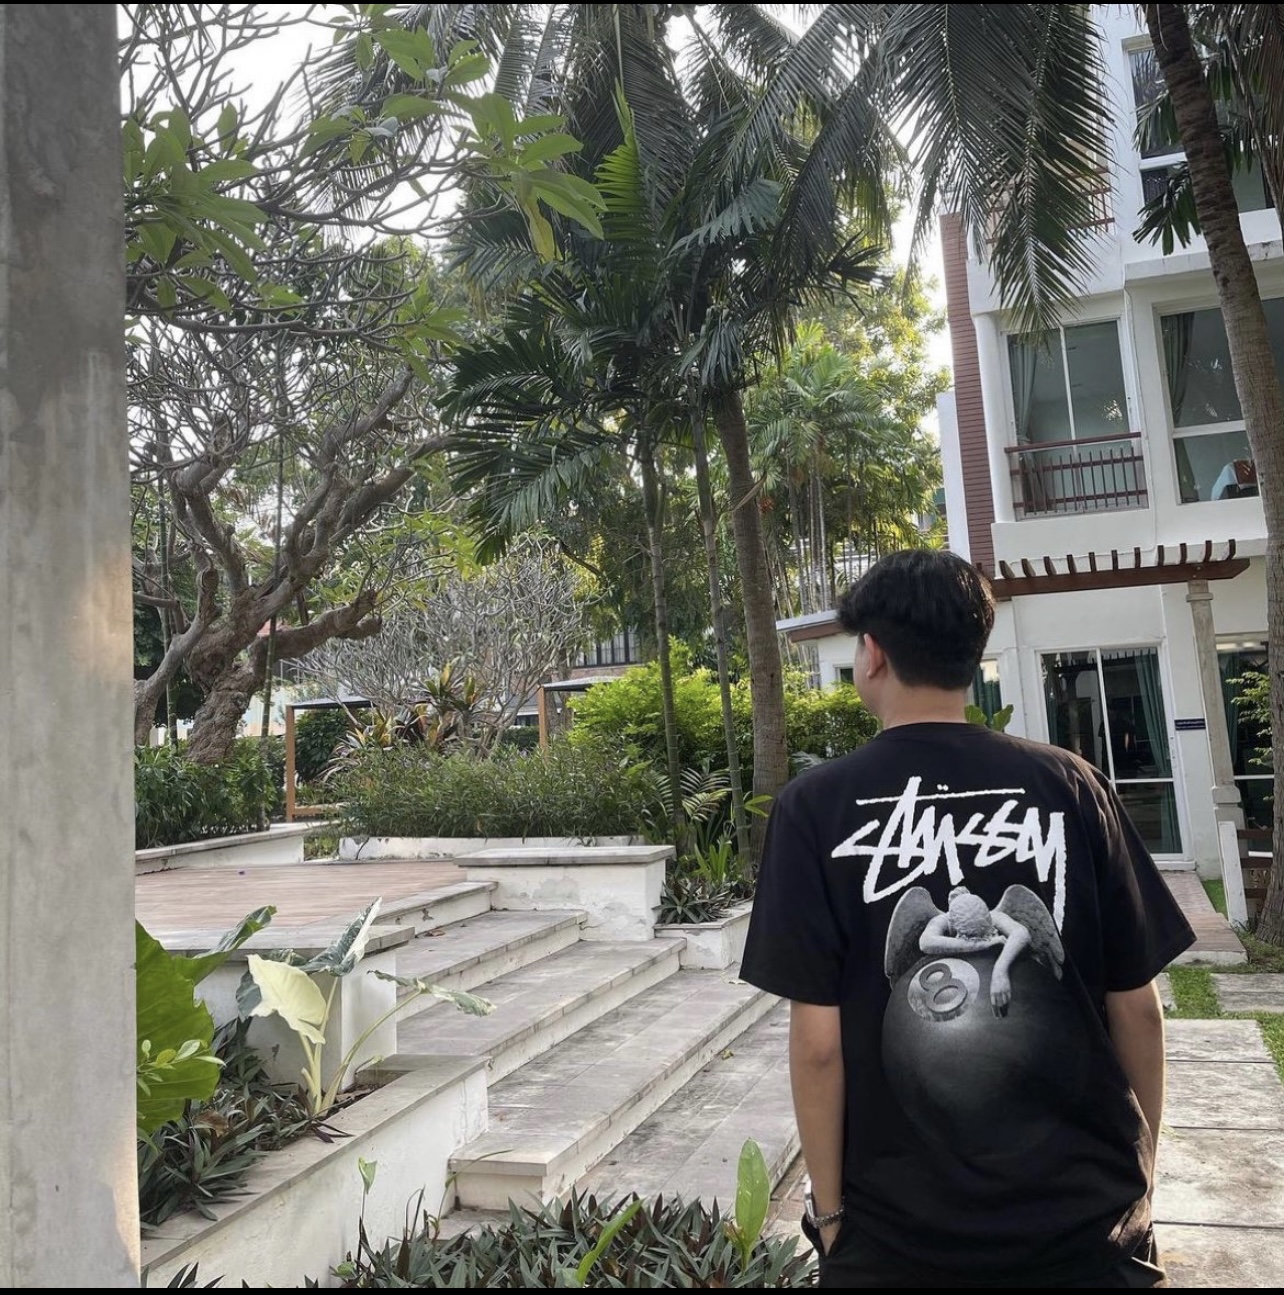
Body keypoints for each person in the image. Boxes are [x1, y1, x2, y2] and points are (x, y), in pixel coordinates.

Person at [739, 549, 1195, 1288]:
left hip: (899, 1239)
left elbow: (818, 1047)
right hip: (1084, 1227)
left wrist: (830, 1212)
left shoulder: (814, 807)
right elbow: (1137, 1009)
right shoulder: (1074, 784)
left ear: (872, 654)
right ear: (972, 652)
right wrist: (1140, 1176)